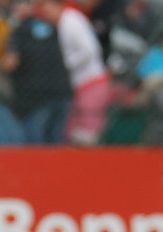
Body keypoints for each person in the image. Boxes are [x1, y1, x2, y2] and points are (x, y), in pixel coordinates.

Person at [4, 0, 74, 142]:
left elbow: (10, 63)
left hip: (35, 98)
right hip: (61, 92)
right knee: (55, 148)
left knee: (35, 151)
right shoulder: (54, 24)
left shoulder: (20, 30)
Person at [57, 0, 110, 143]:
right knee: (72, 133)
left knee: (88, 135)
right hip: (82, 85)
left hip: (91, 82)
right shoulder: (69, 18)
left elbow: (90, 50)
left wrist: (66, 64)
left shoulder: (70, 20)